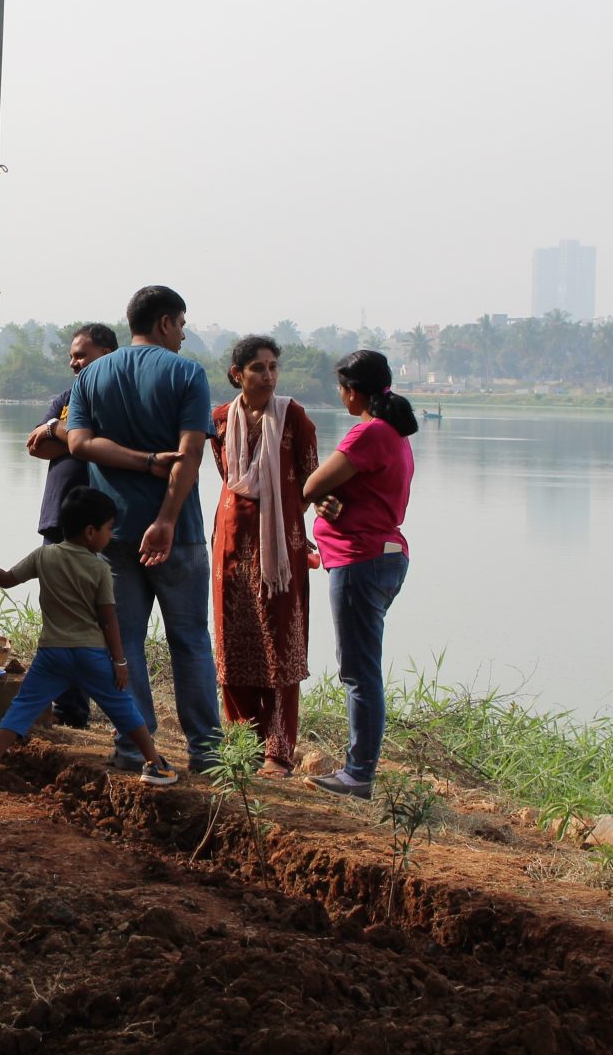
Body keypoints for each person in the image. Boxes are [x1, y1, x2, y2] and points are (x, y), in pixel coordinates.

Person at [66, 285, 220, 773]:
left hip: (111, 532)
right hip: (177, 532)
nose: (183, 334)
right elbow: (189, 454)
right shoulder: (187, 373)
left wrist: (139, 461)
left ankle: (133, 745)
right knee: (190, 640)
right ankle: (206, 752)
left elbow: (78, 444)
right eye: (182, 323)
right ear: (165, 323)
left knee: (124, 640)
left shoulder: (92, 374)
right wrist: (167, 519)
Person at [0, 487, 181, 789]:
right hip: (92, 654)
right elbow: (108, 620)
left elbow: (6, 579)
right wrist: (120, 661)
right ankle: (154, 764)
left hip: (53, 654)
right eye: (108, 529)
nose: (110, 536)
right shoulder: (100, 567)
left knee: (22, 708)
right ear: (90, 532)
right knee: (123, 708)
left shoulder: (44, 555)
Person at [303, 350, 418, 800]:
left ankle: (358, 773)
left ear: (352, 391)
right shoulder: (394, 434)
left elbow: (311, 484)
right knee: (362, 665)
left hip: (361, 560)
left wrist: (320, 497)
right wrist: (331, 502)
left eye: (341, 388)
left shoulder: (368, 433)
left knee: (358, 669)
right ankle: (358, 769)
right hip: (384, 555)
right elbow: (346, 492)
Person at [210, 336, 321, 777]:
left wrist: (282, 513)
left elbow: (310, 482)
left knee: (281, 644)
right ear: (238, 374)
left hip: (281, 550)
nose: (269, 376)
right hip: (231, 543)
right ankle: (243, 744)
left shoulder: (295, 418)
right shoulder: (219, 419)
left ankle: (278, 751)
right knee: (233, 642)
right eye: (258, 368)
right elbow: (227, 475)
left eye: (274, 366)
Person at [26, 322, 118, 728]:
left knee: (101, 616)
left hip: (99, 527)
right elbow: (36, 444)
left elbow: (101, 442)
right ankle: (69, 708)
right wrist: (63, 432)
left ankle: (111, 708)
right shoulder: (65, 398)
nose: (73, 362)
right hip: (57, 518)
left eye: (82, 354)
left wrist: (60, 433)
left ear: (109, 353)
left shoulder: (116, 400)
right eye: (72, 355)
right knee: (60, 615)